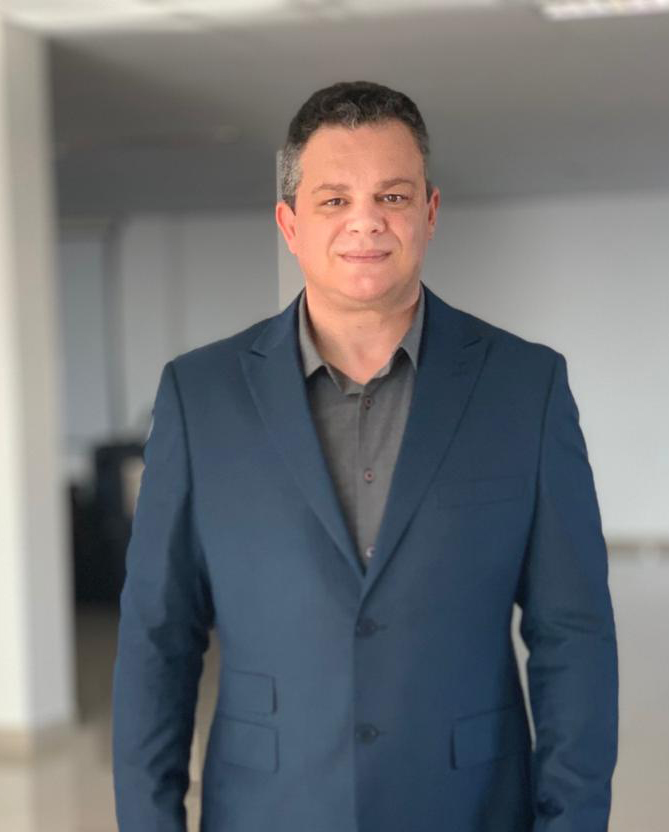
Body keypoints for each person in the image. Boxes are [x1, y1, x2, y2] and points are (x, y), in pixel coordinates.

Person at [112, 80, 618, 832]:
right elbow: (158, 635)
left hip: (467, 806)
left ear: (429, 212)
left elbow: (572, 635)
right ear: (289, 223)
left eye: (392, 196)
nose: (365, 221)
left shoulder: (525, 386)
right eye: (333, 199)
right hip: (269, 810)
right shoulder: (200, 395)